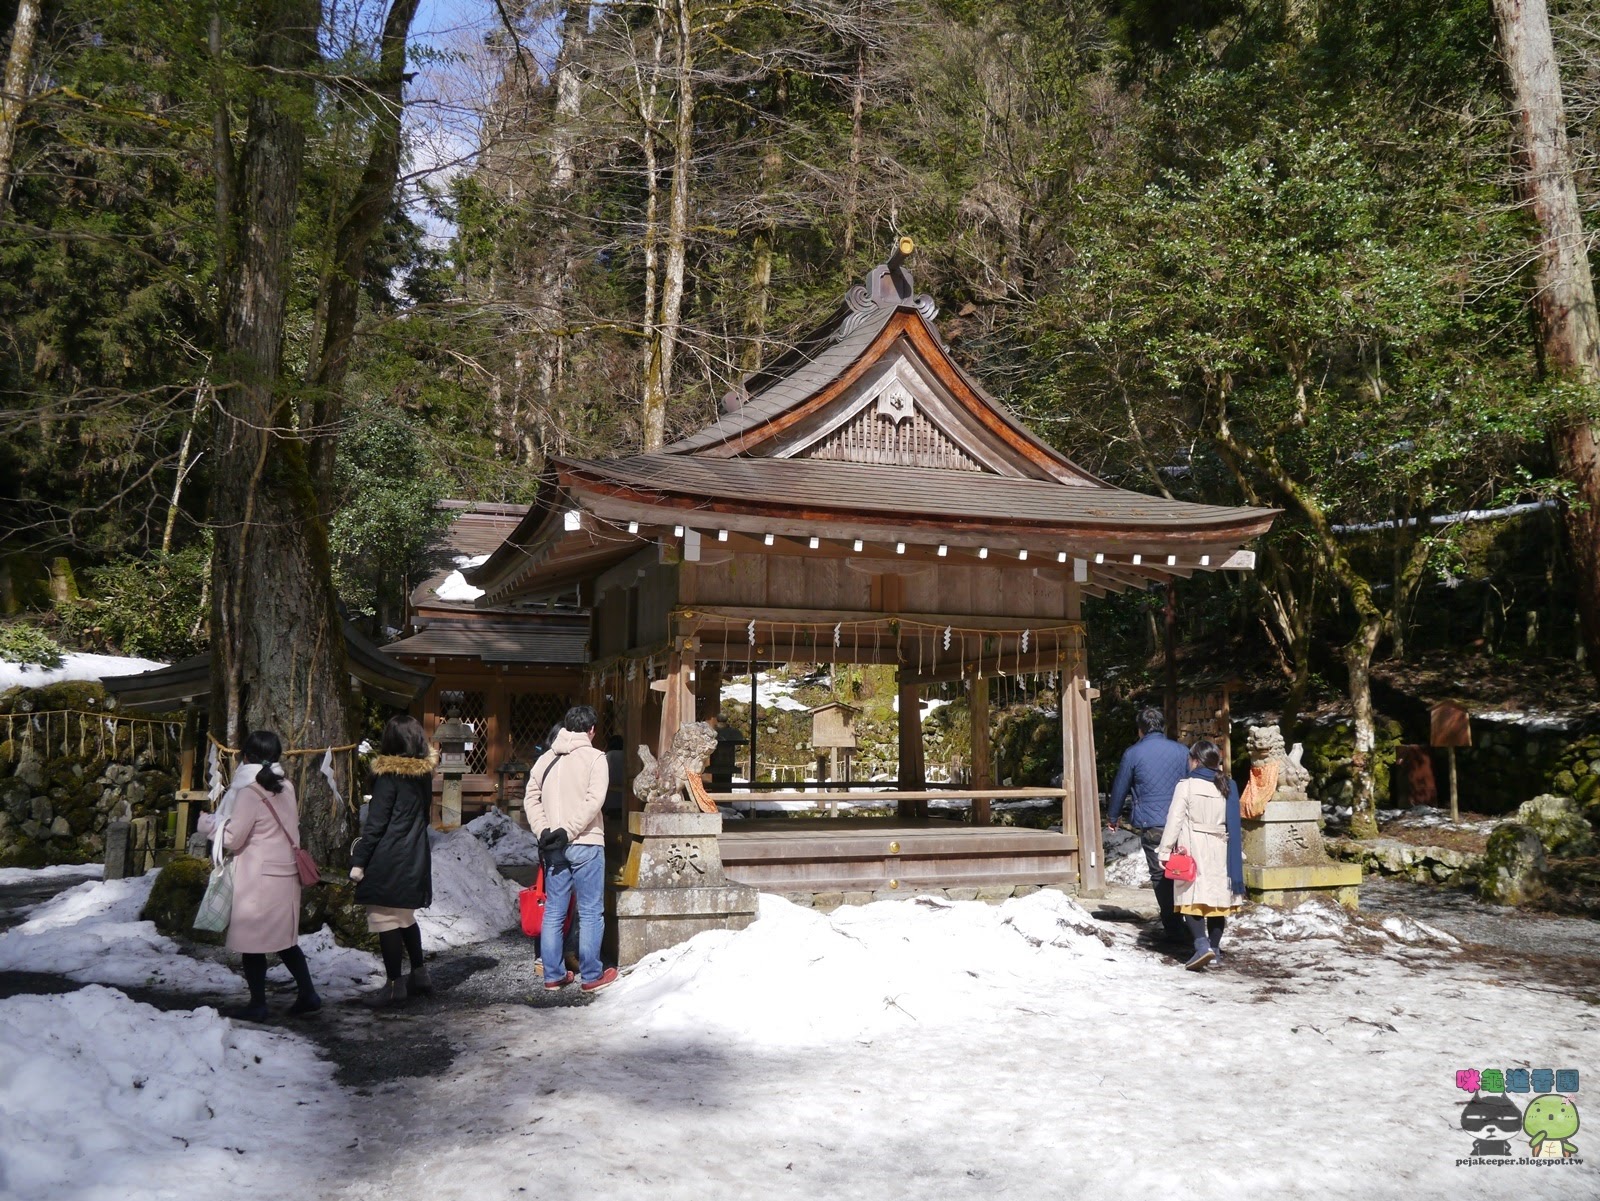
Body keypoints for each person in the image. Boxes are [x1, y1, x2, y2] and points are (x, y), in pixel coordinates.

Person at [197, 730, 321, 1021]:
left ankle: (258, 1004)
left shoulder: (249, 792)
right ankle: (308, 993)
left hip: (258, 878)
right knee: (286, 942)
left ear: (245, 756)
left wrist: (208, 826)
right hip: (286, 874)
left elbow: (234, 838)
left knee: (252, 945)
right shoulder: (286, 787)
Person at [524, 704, 617, 994]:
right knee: (590, 912)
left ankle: (553, 974)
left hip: (553, 845)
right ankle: (591, 975)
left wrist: (544, 830)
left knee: (554, 911)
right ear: (592, 730)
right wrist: (569, 830)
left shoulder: (546, 758)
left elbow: (530, 797)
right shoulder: (595, 758)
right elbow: (594, 800)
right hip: (585, 842)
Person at [348, 714, 436, 1008]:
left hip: (389, 857)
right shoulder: (423, 776)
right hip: (415, 854)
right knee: (404, 917)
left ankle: (395, 984)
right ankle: (420, 974)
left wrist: (359, 861)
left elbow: (376, 825)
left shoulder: (388, 777)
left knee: (385, 919)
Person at [1105, 707, 1193, 944]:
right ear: (1163, 727)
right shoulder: (1182, 750)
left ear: (1140, 730)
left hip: (1153, 823)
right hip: (1183, 822)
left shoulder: (1133, 753)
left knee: (1161, 874)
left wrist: (1113, 817)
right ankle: (1191, 923)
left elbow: (1121, 786)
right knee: (1184, 871)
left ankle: (1174, 928)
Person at [1157, 738, 1245, 970]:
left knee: (1191, 899)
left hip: (1192, 846)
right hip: (1220, 846)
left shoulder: (1186, 785)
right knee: (1217, 901)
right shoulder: (1227, 785)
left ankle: (1201, 945)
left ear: (1195, 761)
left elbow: (1174, 820)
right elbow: (1233, 823)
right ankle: (1214, 950)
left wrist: (1165, 850)